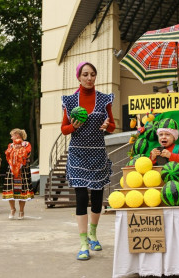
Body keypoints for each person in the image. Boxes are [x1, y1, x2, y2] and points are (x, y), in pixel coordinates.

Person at [61, 62, 115, 261]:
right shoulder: (70, 101)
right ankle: (83, 242)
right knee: (82, 196)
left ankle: (93, 233)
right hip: (78, 154)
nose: (89, 78)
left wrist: (107, 125)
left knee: (98, 197)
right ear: (79, 77)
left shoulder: (104, 99)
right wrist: (73, 126)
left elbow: (112, 126)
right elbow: (64, 129)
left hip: (98, 153)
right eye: (85, 74)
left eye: (93, 74)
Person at [2, 129, 34, 219]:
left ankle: (21, 211)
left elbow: (26, 154)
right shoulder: (11, 145)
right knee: (11, 188)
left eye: (12, 135)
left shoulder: (26, 144)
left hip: (22, 169)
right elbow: (7, 154)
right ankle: (12, 209)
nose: (11, 137)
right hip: (12, 169)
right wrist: (12, 151)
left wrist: (19, 150)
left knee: (22, 189)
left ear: (17, 135)